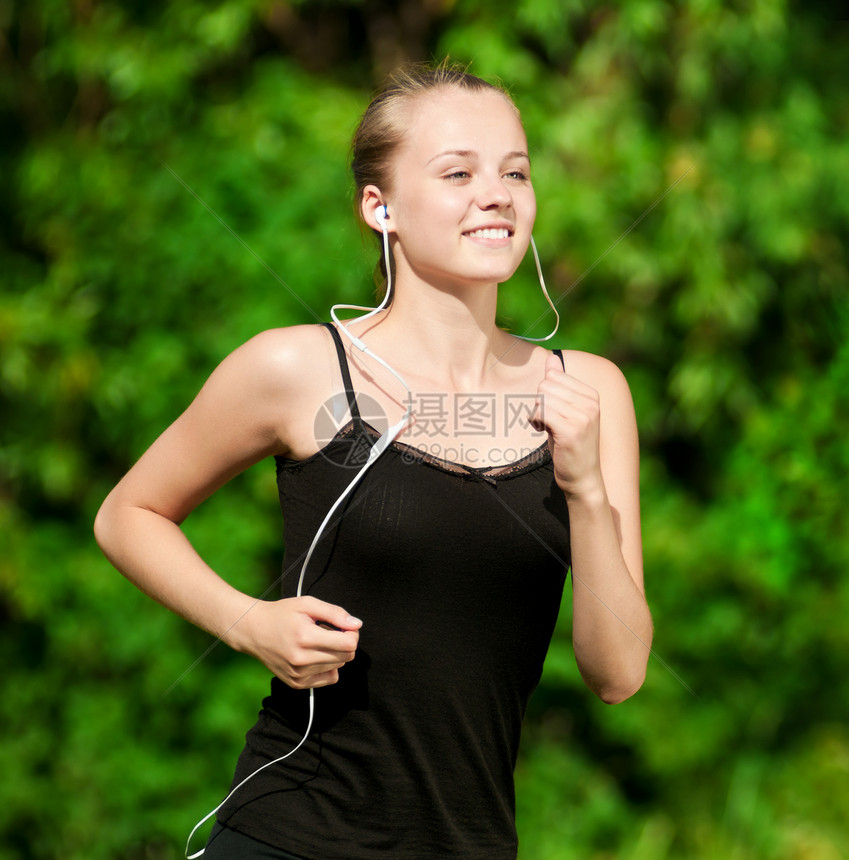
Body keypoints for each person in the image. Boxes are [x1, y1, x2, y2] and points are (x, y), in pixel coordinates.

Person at [94, 62, 652, 860]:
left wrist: (588, 493)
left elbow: (619, 671)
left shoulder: (591, 390)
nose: (495, 194)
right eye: (457, 172)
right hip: (289, 834)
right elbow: (127, 515)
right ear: (378, 206)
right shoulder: (297, 371)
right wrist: (249, 622)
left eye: (515, 171)